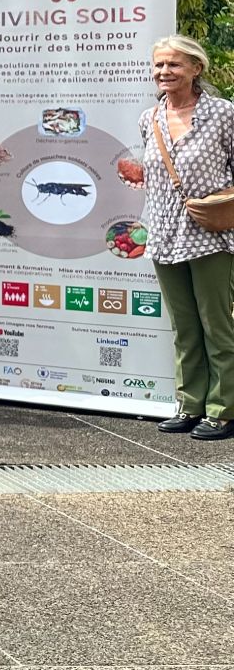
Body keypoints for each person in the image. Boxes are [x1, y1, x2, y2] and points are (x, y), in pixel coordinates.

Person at [139, 35, 234, 440]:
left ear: (197, 68)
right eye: (159, 65)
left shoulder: (223, 114)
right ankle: (190, 403)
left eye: (174, 65)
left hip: (211, 234)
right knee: (184, 325)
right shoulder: (150, 118)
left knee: (217, 324)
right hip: (163, 235)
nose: (164, 72)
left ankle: (224, 408)